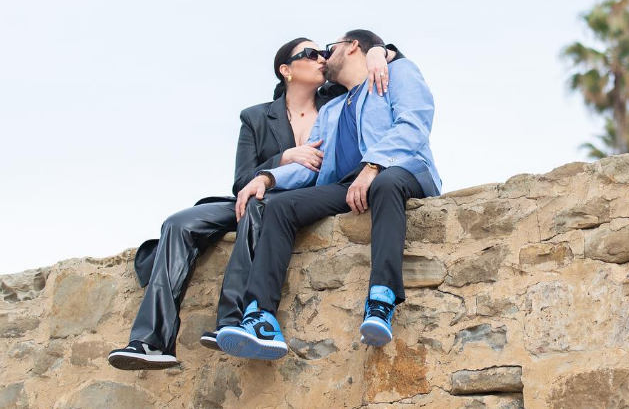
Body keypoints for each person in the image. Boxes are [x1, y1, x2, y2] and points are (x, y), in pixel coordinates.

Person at [107, 38, 400, 370]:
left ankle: (232, 320)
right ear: (286, 70)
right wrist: (283, 158)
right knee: (178, 222)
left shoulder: (337, 102)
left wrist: (380, 50)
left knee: (261, 208)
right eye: (310, 53)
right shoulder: (256, 117)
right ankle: (151, 341)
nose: (321, 57)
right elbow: (242, 178)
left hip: (299, 201)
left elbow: (370, 68)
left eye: (323, 52)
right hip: (254, 196)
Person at [216, 29, 440, 360]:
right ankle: (261, 318)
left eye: (329, 48)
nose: (323, 56)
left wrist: (373, 166)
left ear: (352, 47)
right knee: (279, 206)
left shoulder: (398, 72)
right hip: (346, 184)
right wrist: (267, 178)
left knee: (386, 183)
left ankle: (381, 300)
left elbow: (414, 124)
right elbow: (312, 163)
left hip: (402, 168)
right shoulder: (332, 109)